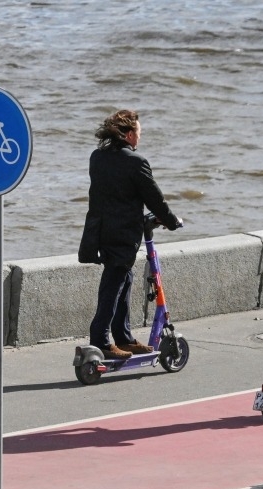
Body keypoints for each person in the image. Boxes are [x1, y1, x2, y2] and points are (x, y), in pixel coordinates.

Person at [79, 109, 182, 360]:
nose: (140, 136)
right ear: (128, 134)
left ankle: (123, 337)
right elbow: (154, 198)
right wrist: (171, 221)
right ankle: (101, 340)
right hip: (124, 234)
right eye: (138, 131)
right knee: (113, 286)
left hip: (101, 232)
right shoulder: (136, 162)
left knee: (123, 281)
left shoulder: (98, 157)